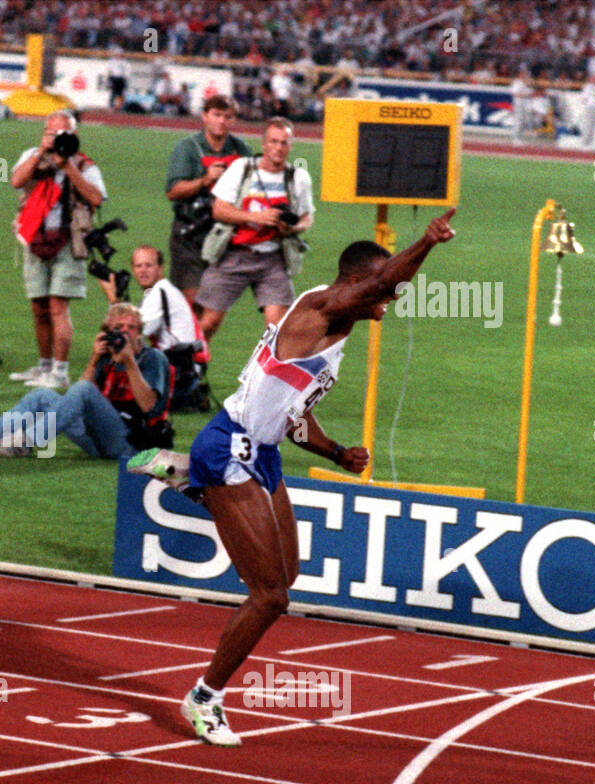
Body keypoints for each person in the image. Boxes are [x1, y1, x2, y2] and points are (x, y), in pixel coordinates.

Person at [129, 209, 459, 746]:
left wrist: (336, 452)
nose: (389, 302)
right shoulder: (322, 307)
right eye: (382, 290)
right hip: (230, 446)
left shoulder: (332, 332)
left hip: (262, 451)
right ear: (358, 281)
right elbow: (385, 281)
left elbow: (292, 417)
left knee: (289, 573)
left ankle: (192, 482)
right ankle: (204, 698)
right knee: (269, 598)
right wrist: (425, 243)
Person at [0, 303, 172, 460]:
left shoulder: (152, 358)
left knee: (83, 389)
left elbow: (150, 407)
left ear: (140, 332)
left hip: (131, 444)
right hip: (97, 439)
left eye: (131, 327)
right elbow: (76, 400)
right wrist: (94, 359)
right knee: (42, 395)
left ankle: (23, 443)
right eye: (118, 328)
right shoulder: (107, 357)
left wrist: (130, 363)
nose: (125, 332)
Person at [9, 111, 108, 391]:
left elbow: (96, 198)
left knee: (58, 306)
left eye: (63, 133)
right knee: (39, 307)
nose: (57, 138)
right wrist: (42, 151)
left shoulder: (84, 164)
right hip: (35, 237)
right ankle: (44, 366)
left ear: (74, 135)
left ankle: (60, 371)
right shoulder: (32, 155)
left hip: (68, 241)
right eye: (52, 133)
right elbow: (15, 180)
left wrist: (68, 167)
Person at [195, 117, 314, 341]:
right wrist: (255, 217)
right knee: (208, 323)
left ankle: (266, 365)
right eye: (274, 141)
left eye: (284, 143)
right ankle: (192, 362)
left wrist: (292, 228)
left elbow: (307, 217)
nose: (278, 148)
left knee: (277, 330)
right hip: (234, 253)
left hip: (273, 258)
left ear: (291, 146)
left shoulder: (298, 177)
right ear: (264, 143)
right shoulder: (242, 168)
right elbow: (218, 210)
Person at [165, 95, 253, 311]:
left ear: (234, 120)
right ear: (205, 116)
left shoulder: (241, 150)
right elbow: (173, 191)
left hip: (224, 236)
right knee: (191, 303)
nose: (221, 121)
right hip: (191, 233)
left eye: (227, 116)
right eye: (216, 115)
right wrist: (205, 180)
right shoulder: (188, 148)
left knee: (214, 307)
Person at [102, 245, 209, 411]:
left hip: (179, 370)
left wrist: (113, 298)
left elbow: (130, 334)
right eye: (138, 266)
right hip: (186, 367)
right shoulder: (161, 289)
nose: (143, 271)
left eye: (149, 265)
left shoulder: (159, 292)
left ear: (160, 268)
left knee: (117, 350)